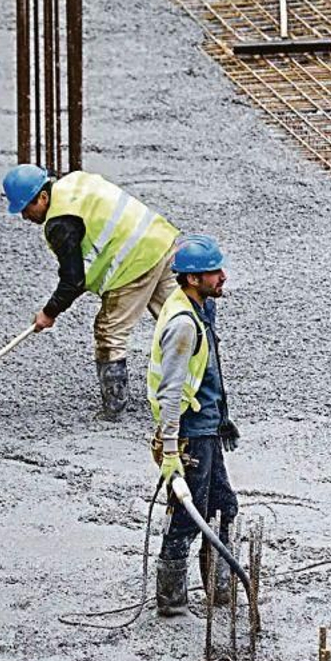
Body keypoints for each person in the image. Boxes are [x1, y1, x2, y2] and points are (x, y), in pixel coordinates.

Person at [2, 164, 180, 421]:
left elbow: (73, 280)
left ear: (42, 197)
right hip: (161, 240)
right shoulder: (73, 183)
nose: (25, 217)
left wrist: (49, 312)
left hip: (135, 261)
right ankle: (204, 385)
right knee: (183, 318)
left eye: (26, 209)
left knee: (109, 332)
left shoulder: (59, 224)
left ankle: (114, 409)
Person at [146, 234, 241, 617]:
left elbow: (210, 368)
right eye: (212, 272)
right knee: (188, 516)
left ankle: (219, 590)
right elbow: (170, 392)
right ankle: (171, 600)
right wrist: (170, 449)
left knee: (223, 506)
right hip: (189, 432)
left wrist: (222, 417)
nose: (222, 277)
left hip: (207, 426)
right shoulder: (184, 323)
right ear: (191, 279)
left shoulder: (200, 307)